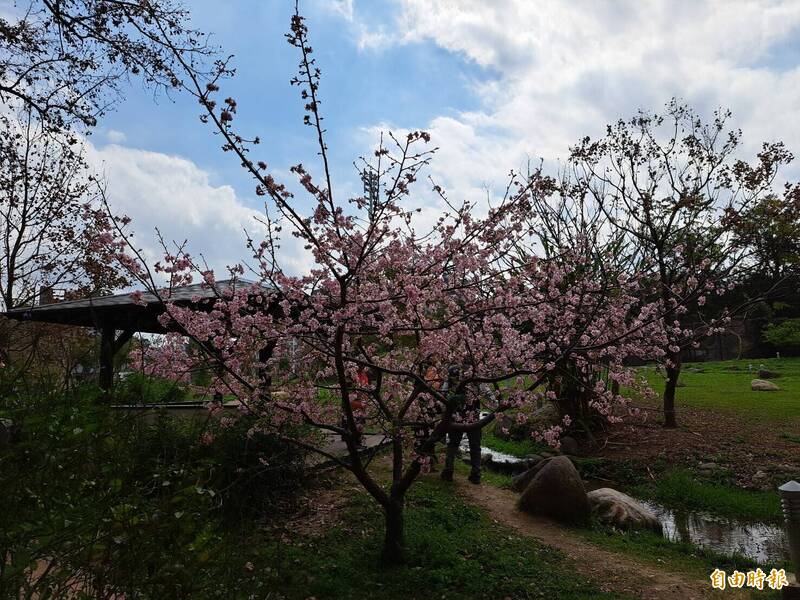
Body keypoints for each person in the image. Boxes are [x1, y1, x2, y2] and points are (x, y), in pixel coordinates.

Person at [440, 364, 482, 484]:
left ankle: (448, 472)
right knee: (475, 446)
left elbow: (444, 394)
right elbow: (486, 391)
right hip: (473, 417)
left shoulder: (451, 372)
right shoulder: (475, 374)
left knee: (452, 445)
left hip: (456, 417)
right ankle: (476, 474)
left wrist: (444, 412)